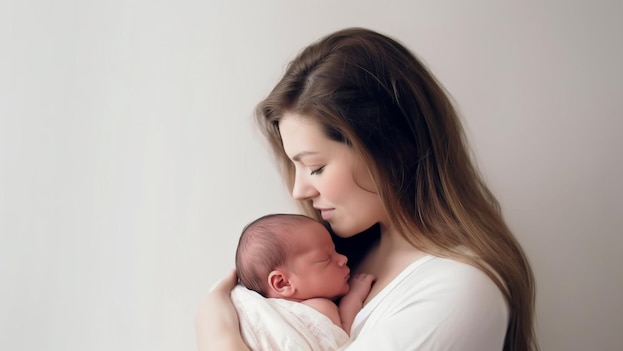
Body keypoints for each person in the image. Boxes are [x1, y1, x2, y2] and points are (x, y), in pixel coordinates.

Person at [196, 27, 537, 351]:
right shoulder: (339, 259)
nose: (299, 190)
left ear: (389, 149)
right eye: (295, 166)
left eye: (315, 166)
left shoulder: (458, 291)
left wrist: (219, 336)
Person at [235, 213, 375, 335]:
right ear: (283, 283)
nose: (343, 259)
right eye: (325, 258)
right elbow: (343, 335)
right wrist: (354, 296)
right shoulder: (319, 309)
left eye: (335, 251)